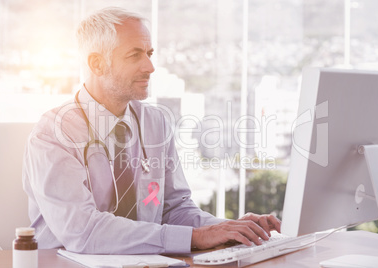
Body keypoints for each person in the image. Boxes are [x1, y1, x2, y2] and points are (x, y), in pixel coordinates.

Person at [22, 6, 281, 254]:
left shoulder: (155, 122)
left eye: (150, 53)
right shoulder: (53, 134)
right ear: (97, 64)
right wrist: (196, 237)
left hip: (145, 260)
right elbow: (83, 231)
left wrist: (229, 229)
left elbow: (174, 210)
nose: (150, 67)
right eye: (135, 55)